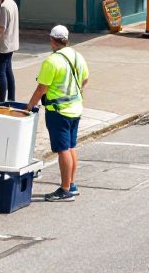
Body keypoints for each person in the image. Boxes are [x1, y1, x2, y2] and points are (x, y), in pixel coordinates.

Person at [27, 25, 89, 202]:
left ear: (52, 40)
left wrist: (30, 106)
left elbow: (42, 88)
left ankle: (65, 189)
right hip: (76, 108)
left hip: (58, 111)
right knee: (70, 147)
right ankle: (72, 184)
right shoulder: (77, 56)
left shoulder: (51, 61)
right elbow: (85, 79)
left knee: (62, 150)